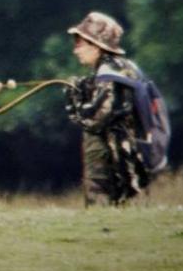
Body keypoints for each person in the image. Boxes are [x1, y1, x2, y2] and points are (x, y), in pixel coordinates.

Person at [62, 11, 147, 206]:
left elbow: (93, 121)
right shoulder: (122, 68)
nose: (76, 50)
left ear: (97, 45)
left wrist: (73, 100)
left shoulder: (110, 75)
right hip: (128, 155)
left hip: (115, 158)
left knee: (105, 210)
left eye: (79, 44)